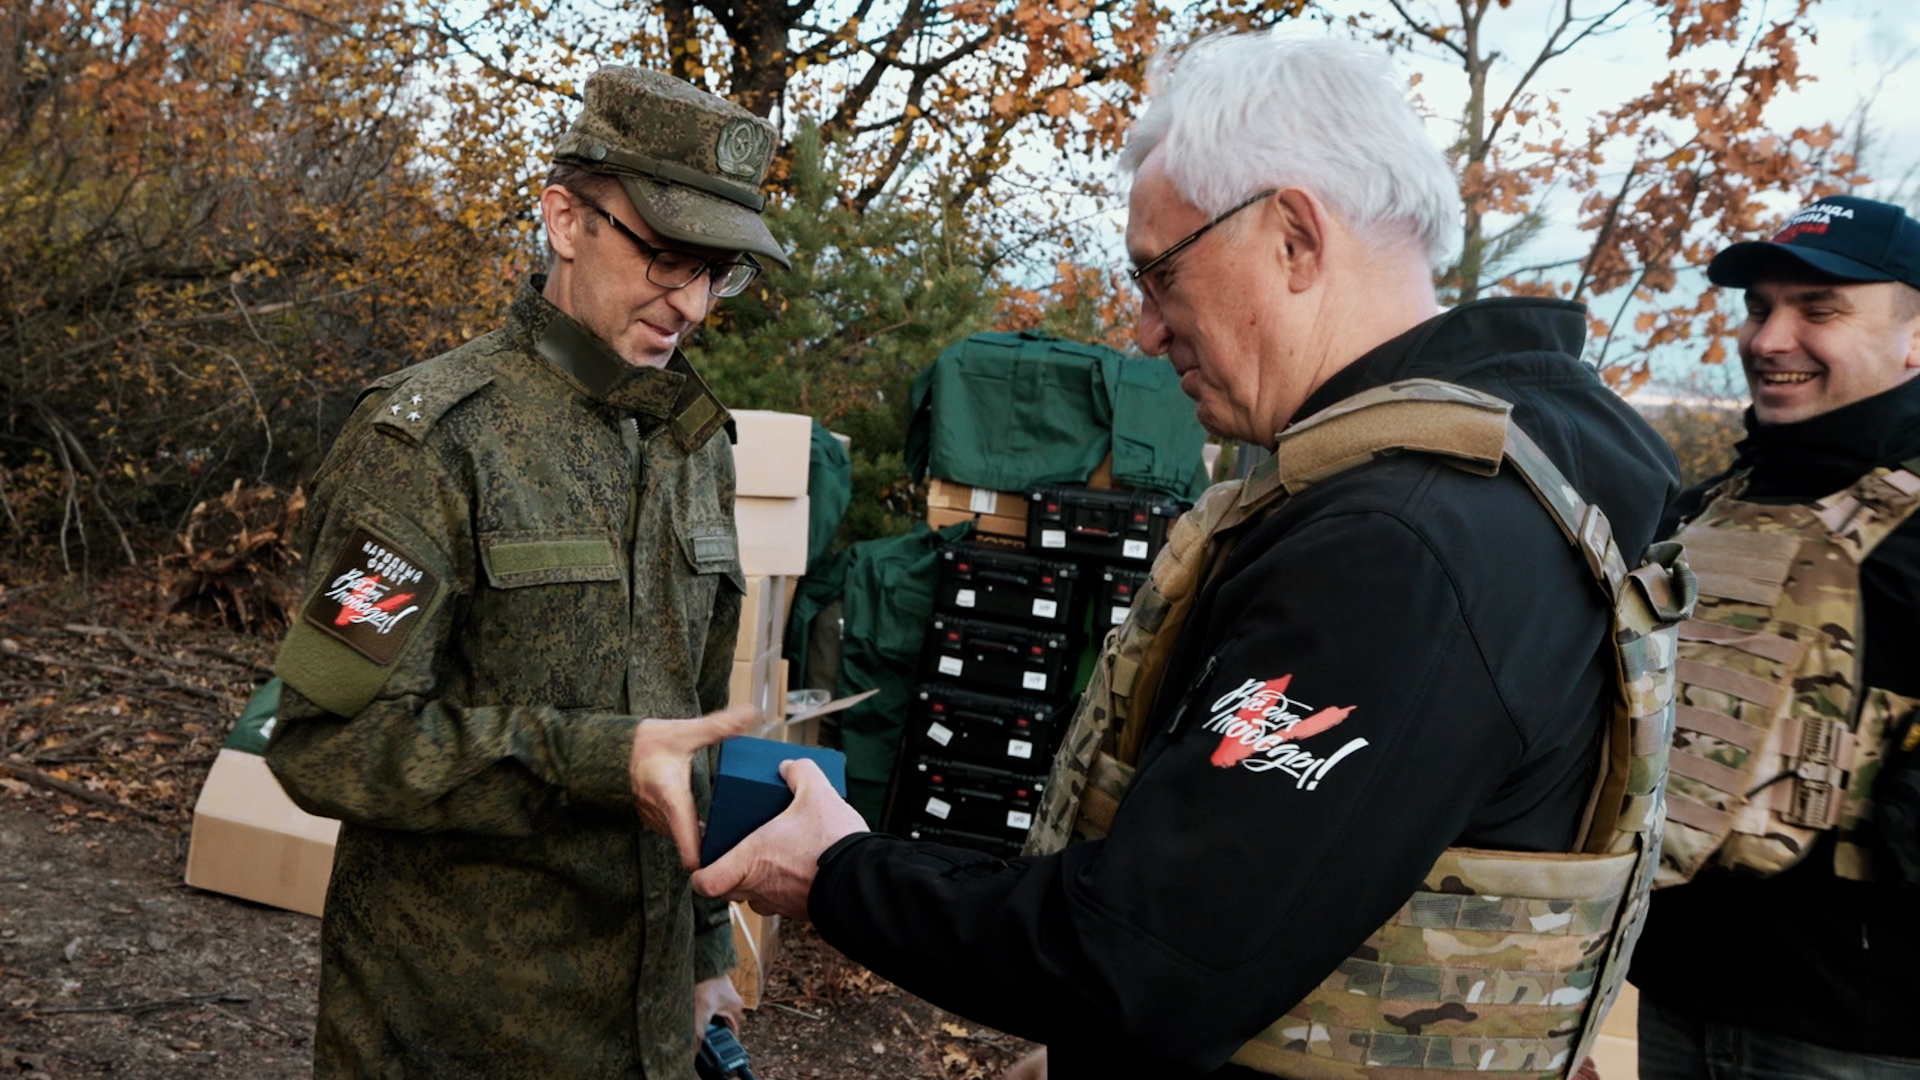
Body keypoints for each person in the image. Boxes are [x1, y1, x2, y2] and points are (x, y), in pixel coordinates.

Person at [693, 33, 1686, 1079]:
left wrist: (839, 871)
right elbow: (1292, 889)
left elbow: (1142, 962)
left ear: (1296, 238)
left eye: (1161, 274)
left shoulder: (1403, 547)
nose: (1145, 328)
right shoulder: (1550, 467)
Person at [263, 66, 787, 1079]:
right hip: (452, 1034)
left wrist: (704, 948)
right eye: (669, 257)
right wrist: (590, 758)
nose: (690, 303)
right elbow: (326, 744)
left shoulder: (696, 448)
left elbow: (691, 732)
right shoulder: (429, 443)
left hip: (641, 1038)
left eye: (719, 273)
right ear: (564, 218)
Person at [1629, 195, 1920, 1079]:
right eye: (1760, 308)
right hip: (1675, 997)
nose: (1768, 339)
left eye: (1818, 309)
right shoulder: (1699, 511)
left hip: (1851, 1036)